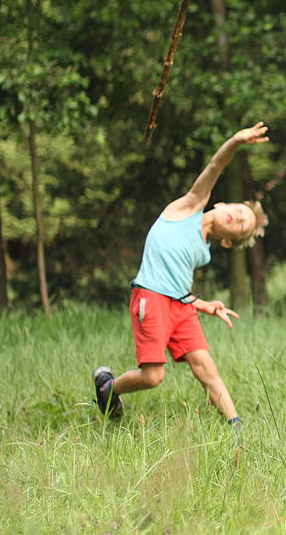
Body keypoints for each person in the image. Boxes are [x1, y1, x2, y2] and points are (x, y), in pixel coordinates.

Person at [93, 122, 270, 430]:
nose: (238, 217)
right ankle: (109, 389)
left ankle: (236, 427)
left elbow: (176, 283)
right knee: (153, 377)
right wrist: (235, 141)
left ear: (228, 241)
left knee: (206, 367)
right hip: (150, 297)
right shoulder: (188, 207)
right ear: (221, 203)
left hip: (179, 306)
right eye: (240, 211)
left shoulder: (203, 251)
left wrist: (204, 305)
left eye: (242, 224)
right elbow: (215, 166)